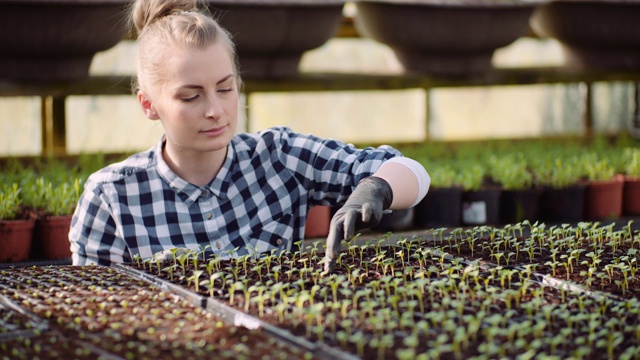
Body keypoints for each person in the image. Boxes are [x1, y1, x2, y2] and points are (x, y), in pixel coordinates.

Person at [69, 0, 430, 273]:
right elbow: (97, 312)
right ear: (148, 104)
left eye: (225, 89)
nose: (215, 110)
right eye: (191, 96)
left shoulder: (279, 157)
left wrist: (375, 188)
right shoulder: (112, 198)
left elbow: (411, 171)